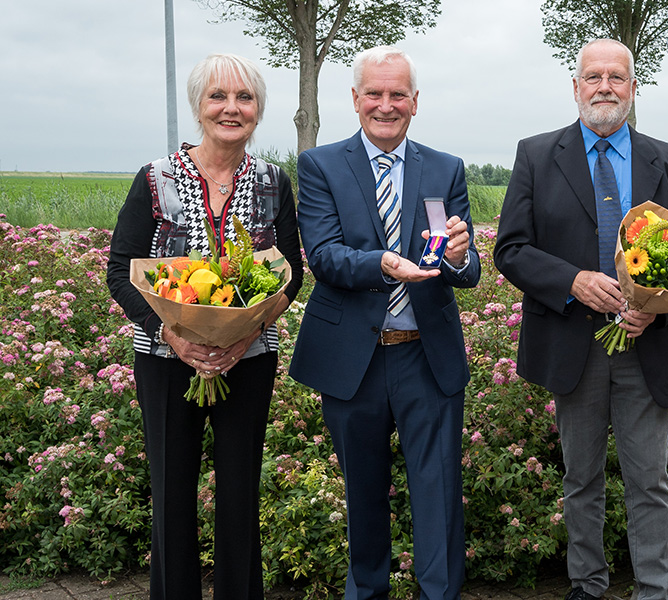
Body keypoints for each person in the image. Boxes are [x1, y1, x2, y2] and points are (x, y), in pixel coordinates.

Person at [493, 38, 668, 600]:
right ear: (575, 86)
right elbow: (510, 248)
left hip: (644, 346)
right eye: (594, 77)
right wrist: (572, 283)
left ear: (633, 88)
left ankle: (656, 590)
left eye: (617, 77)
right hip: (570, 345)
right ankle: (587, 584)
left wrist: (655, 310)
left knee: (649, 480)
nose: (605, 87)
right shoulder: (536, 155)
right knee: (580, 477)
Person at [106, 53, 304, 600]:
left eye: (244, 98)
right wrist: (170, 332)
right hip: (167, 362)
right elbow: (122, 271)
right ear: (199, 106)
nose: (231, 108)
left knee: (240, 492)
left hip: (250, 358)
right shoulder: (155, 178)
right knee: (172, 495)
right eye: (218, 96)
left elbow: (292, 273)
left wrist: (247, 332)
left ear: (258, 110)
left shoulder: (273, 181)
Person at [288, 46, 479, 600]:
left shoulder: (446, 168)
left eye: (398, 94)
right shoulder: (321, 165)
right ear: (354, 100)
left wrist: (461, 256)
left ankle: (438, 595)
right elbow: (323, 256)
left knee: (438, 490)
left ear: (415, 103)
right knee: (364, 493)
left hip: (428, 354)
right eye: (374, 93)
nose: (386, 104)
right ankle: (366, 592)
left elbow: (461, 272)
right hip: (355, 358)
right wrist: (384, 264)